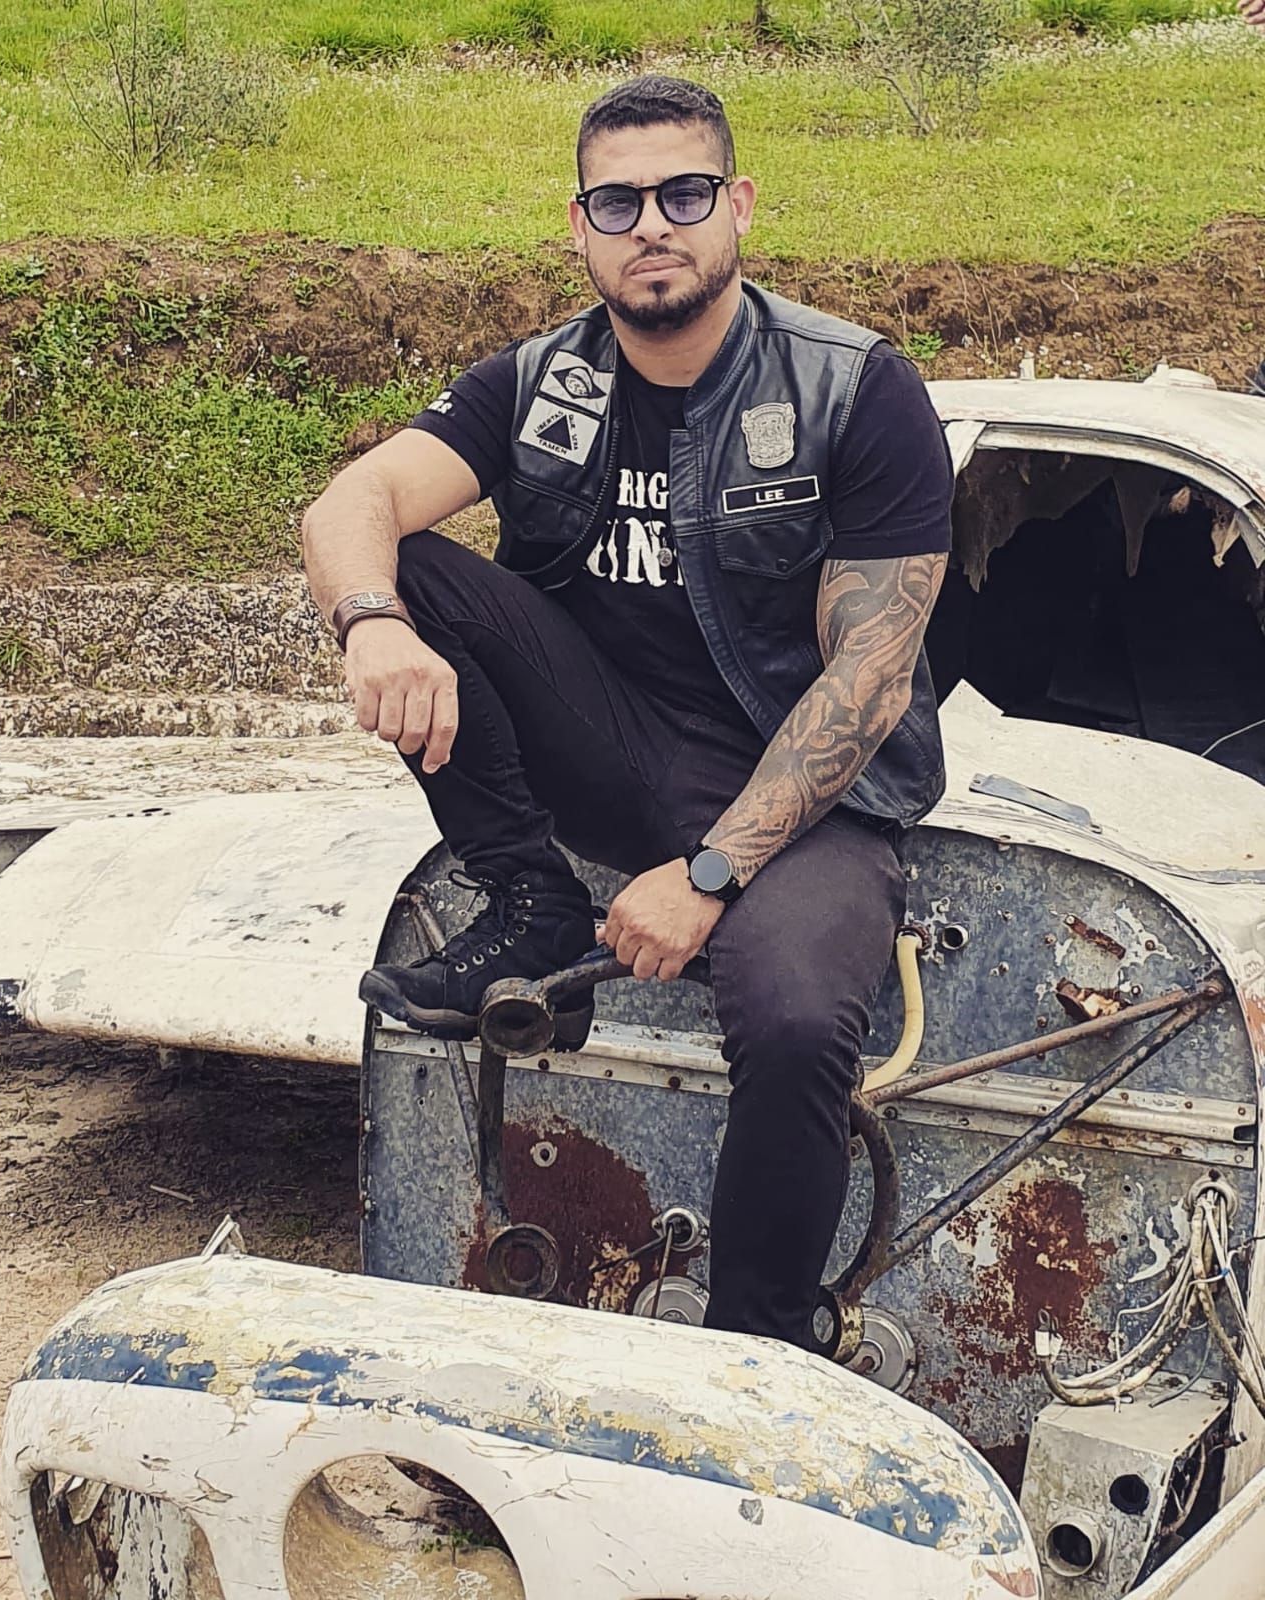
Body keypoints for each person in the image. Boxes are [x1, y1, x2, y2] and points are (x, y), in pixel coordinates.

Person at [300, 75, 952, 1352]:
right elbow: (350, 503)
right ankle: (528, 899)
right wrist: (372, 622)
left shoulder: (853, 387)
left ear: (738, 206)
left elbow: (868, 682)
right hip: (611, 744)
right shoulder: (542, 380)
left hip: (806, 791)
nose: (652, 224)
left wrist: (709, 875)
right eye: (618, 202)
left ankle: (756, 1349)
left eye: (683, 194)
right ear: (580, 227)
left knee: (798, 1022)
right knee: (408, 569)